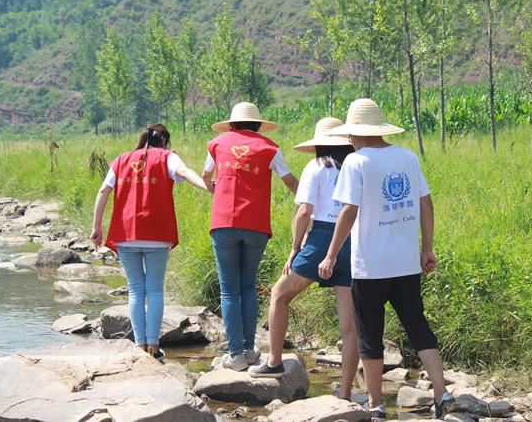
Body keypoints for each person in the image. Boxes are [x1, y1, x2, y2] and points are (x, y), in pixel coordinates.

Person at [318, 99, 459, 420]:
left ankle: (376, 403)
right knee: (418, 326)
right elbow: (426, 203)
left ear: (355, 133)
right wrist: (427, 248)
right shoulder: (407, 157)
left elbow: (349, 211)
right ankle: (442, 394)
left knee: (370, 335)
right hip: (407, 263)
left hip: (370, 267)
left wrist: (330, 254)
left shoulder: (356, 162)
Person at [248, 117, 359, 400]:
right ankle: (345, 393)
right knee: (350, 325)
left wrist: (296, 247)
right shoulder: (356, 164)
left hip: (322, 237)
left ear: (319, 142)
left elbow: (303, 210)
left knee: (279, 294)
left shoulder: (316, 166)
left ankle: (274, 361)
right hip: (353, 238)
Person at [90, 123, 207, 361]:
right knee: (154, 289)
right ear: (164, 140)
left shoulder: (121, 160)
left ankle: (140, 346)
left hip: (125, 233)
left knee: (135, 288)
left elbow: (103, 191)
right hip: (157, 234)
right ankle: (153, 347)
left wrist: (96, 227)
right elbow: (184, 173)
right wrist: (207, 186)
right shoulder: (167, 157)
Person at [202, 102, 299, 371]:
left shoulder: (218, 144)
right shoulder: (269, 147)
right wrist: (315, 204)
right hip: (256, 225)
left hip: (223, 224)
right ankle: (249, 348)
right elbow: (290, 181)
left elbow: (206, 175)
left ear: (232, 124)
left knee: (229, 290)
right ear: (258, 125)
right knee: (247, 287)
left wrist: (216, 191)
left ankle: (235, 355)